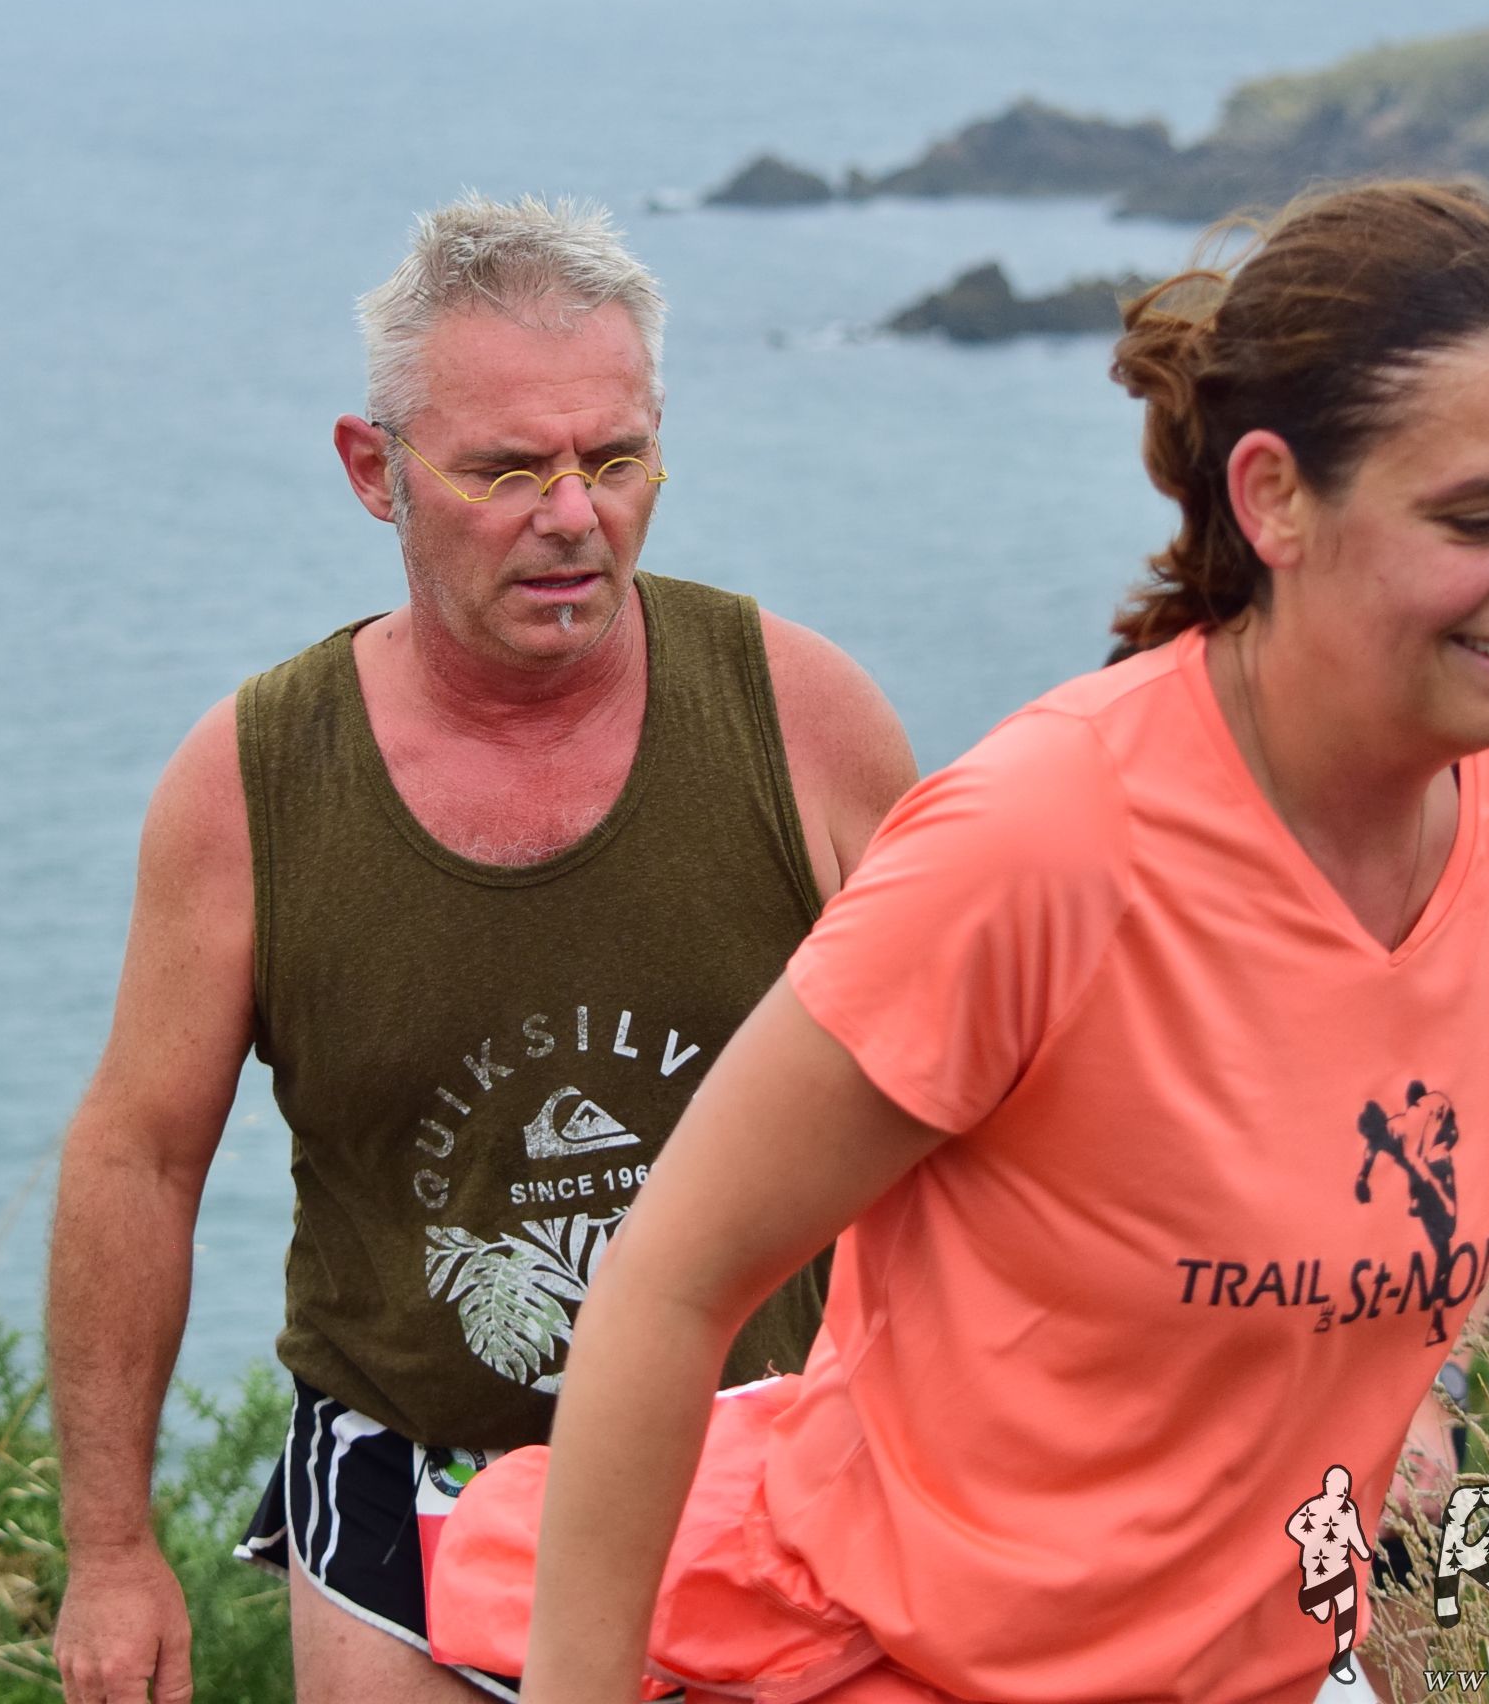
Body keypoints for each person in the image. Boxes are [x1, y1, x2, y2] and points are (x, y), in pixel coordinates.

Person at [450, 180, 1489, 1703]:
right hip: (898, 1655)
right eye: (1483, 515)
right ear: (1274, 500)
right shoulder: (1042, 838)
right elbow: (669, 1282)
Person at [45, 194, 916, 1704]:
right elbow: (138, 1156)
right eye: (506, 469)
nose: (572, 514)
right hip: (411, 1491)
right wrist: (112, 1548)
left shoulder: (803, 717)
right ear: (371, 469)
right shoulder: (251, 786)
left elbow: (982, 1092)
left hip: (772, 1467)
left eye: (614, 459)